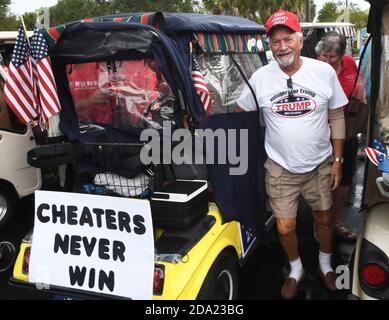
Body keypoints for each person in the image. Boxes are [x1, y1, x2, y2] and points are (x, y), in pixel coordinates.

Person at [236, 10, 347, 299]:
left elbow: (336, 116)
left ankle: (325, 265)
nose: (282, 46)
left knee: (324, 219)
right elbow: (240, 114)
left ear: (299, 41)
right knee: (285, 226)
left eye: (287, 39)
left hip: (320, 165)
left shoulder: (322, 72)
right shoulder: (260, 77)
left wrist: (337, 161)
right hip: (280, 168)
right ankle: (296, 269)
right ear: (269, 46)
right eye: (275, 42)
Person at [316, 31, 359, 242]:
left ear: (342, 55)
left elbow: (357, 89)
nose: (327, 60)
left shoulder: (350, 64)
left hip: (347, 130)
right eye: (324, 55)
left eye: (333, 57)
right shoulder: (313, 70)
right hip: (322, 133)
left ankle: (337, 222)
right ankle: (321, 224)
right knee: (322, 181)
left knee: (344, 180)